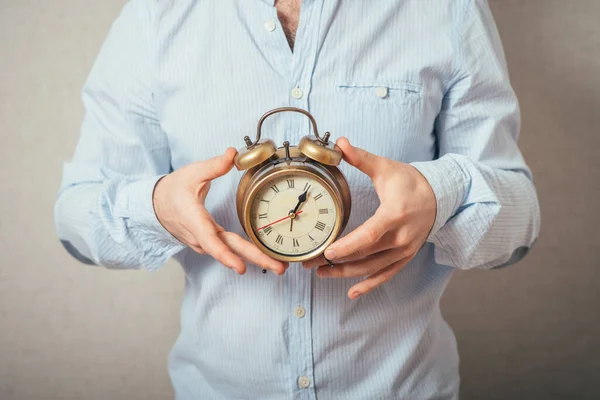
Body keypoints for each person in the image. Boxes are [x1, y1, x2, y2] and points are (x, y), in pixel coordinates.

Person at [54, 0, 541, 399]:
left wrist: (440, 194)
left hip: (401, 387)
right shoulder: (155, 16)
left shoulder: (445, 9)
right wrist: (157, 207)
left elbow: (519, 220)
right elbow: (77, 217)